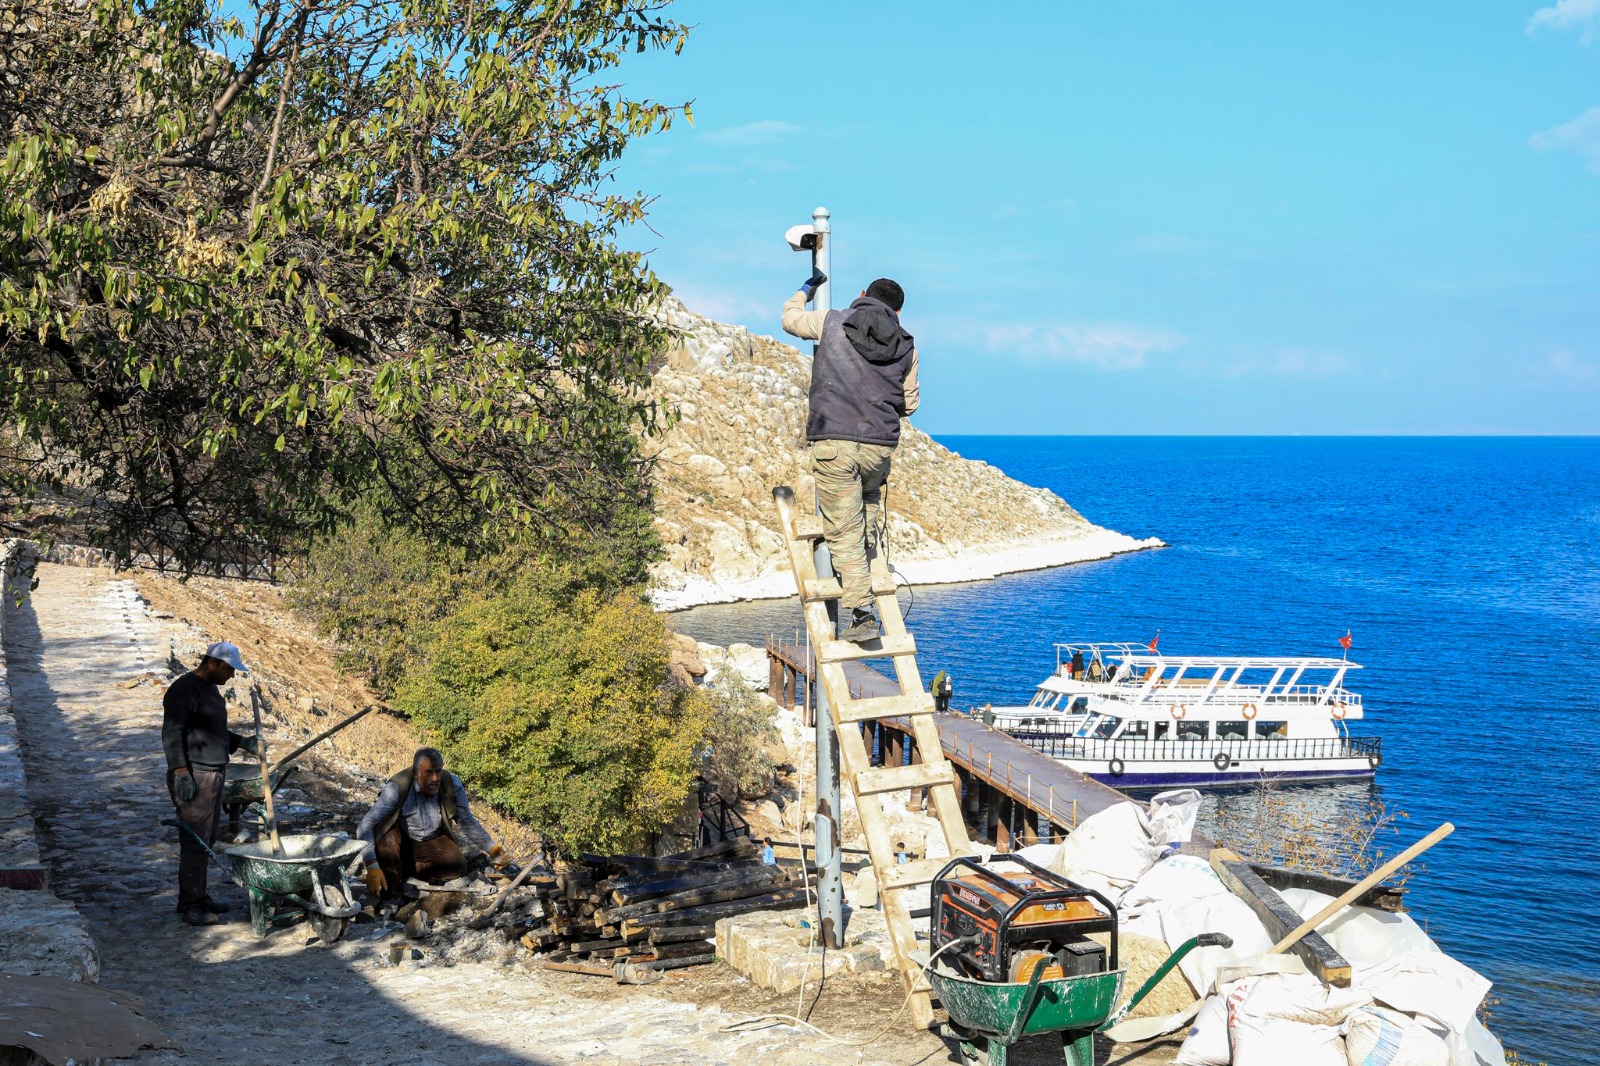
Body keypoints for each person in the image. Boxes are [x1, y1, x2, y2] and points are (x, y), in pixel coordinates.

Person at [782, 273, 919, 643]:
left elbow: (790, 319)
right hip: (878, 447)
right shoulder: (906, 345)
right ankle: (862, 563)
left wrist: (805, 290)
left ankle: (861, 613)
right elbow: (911, 403)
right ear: (898, 312)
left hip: (834, 443)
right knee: (867, 505)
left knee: (841, 532)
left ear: (861, 295)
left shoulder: (832, 321)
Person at [162, 641, 261, 926]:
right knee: (195, 842)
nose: (231, 675)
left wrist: (243, 743)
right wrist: (180, 771)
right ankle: (190, 905)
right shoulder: (184, 689)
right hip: (196, 776)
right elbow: (172, 733)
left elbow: (213, 731)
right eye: (229, 669)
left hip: (215, 774)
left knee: (207, 840)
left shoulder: (210, 691)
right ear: (213, 663)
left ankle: (199, 895)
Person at [356, 748, 505, 902]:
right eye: (428, 772)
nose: (435, 778)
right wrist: (371, 864)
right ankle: (393, 895)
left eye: (438, 771)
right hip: (401, 838)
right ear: (416, 773)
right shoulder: (396, 788)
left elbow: (466, 821)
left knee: (457, 867)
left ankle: (406, 872)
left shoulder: (451, 785)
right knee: (387, 840)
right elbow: (365, 825)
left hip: (431, 840)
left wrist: (491, 848)